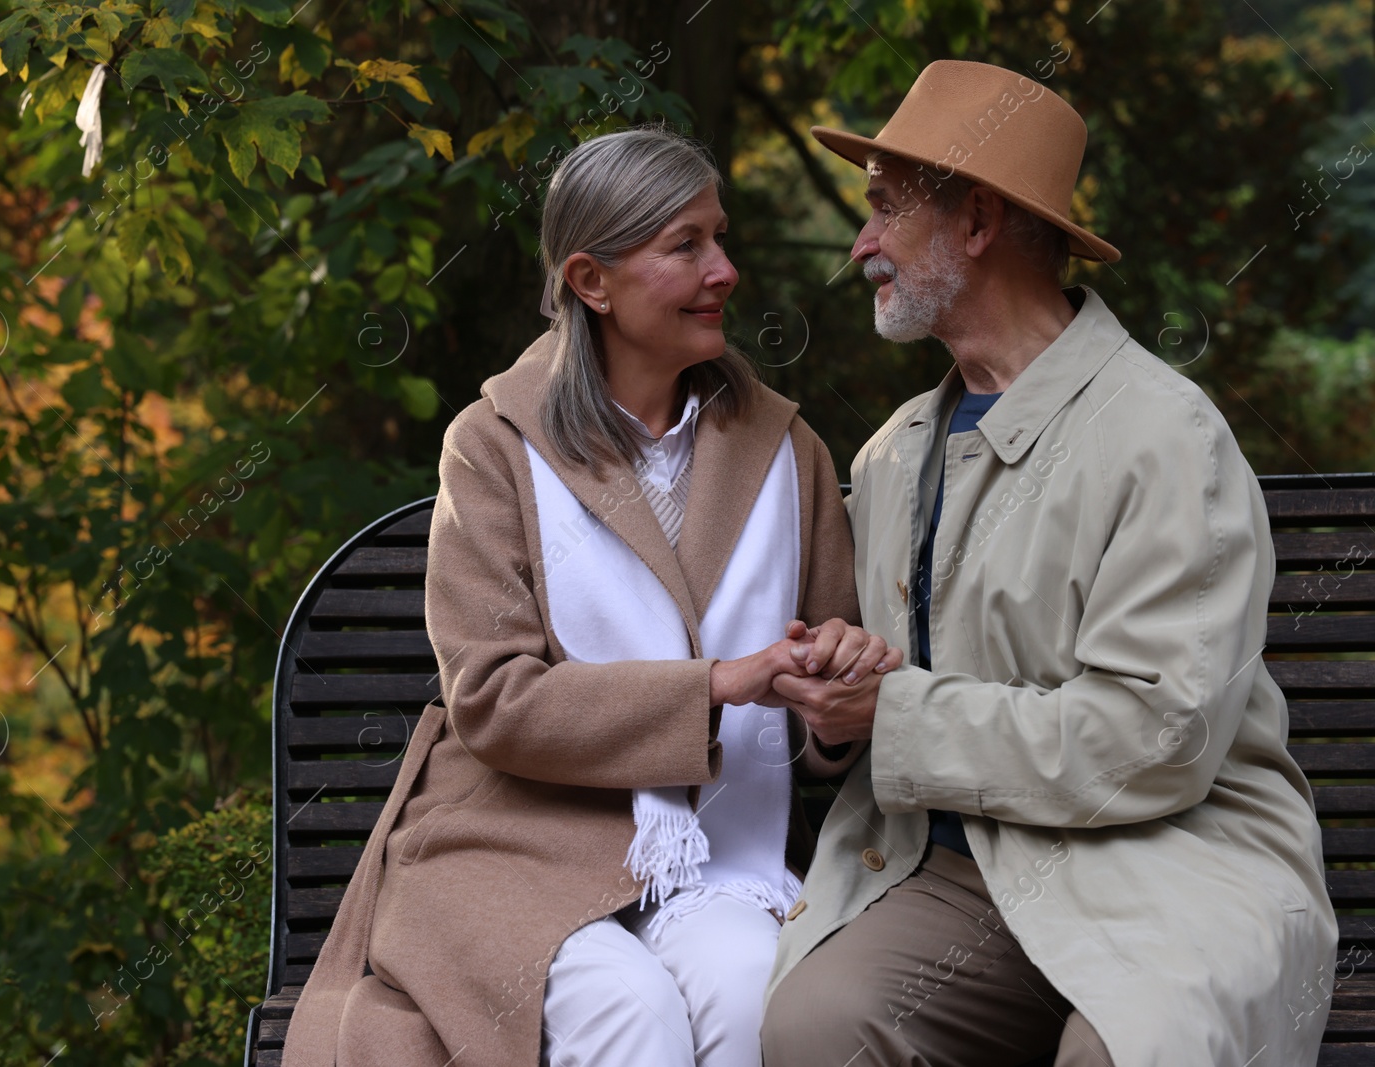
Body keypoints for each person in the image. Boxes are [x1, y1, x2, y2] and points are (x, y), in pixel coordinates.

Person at [280, 126, 899, 1067]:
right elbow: (492, 697)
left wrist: (836, 699)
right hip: (513, 850)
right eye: (684, 245)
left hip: (721, 859)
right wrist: (718, 683)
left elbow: (828, 714)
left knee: (753, 999)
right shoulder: (492, 447)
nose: (724, 269)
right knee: (629, 1012)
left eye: (720, 237)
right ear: (591, 281)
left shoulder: (786, 449)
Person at [760, 60, 1337, 1066]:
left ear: (977, 222)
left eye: (885, 208)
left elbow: (1155, 737)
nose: (860, 245)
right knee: (817, 1031)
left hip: (1172, 867)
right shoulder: (889, 456)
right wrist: (837, 699)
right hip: (954, 874)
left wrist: (892, 712)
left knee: (1127, 1051)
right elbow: (872, 708)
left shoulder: (1165, 438)